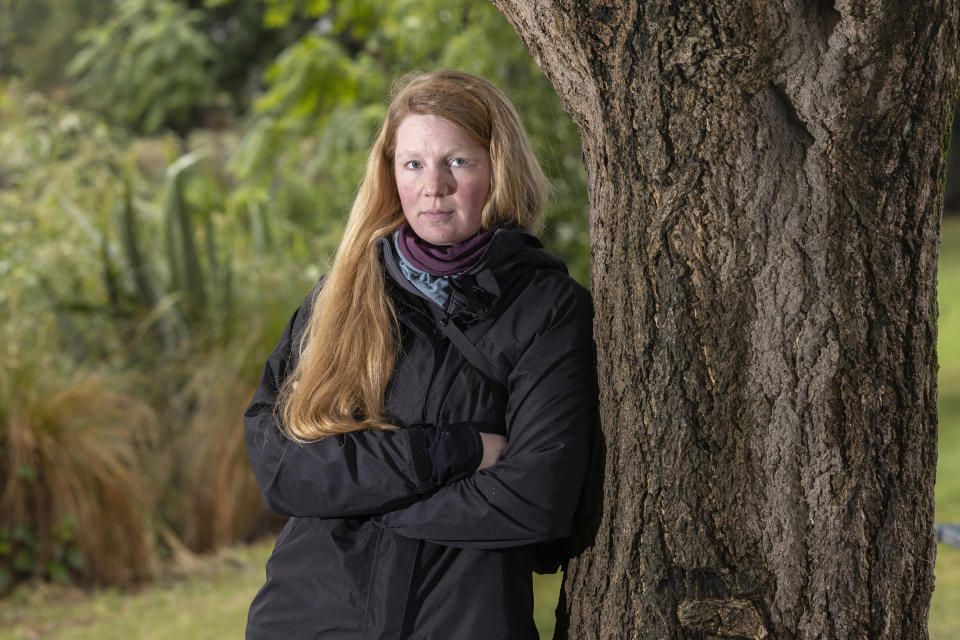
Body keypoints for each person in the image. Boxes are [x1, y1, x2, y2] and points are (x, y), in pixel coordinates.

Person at [244, 69, 596, 640]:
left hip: (461, 622)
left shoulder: (547, 309)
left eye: (458, 161)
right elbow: (282, 469)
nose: (434, 186)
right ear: (390, 175)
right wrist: (453, 451)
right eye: (413, 164)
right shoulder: (339, 297)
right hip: (306, 618)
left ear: (498, 169)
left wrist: (360, 501)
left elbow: (536, 499)